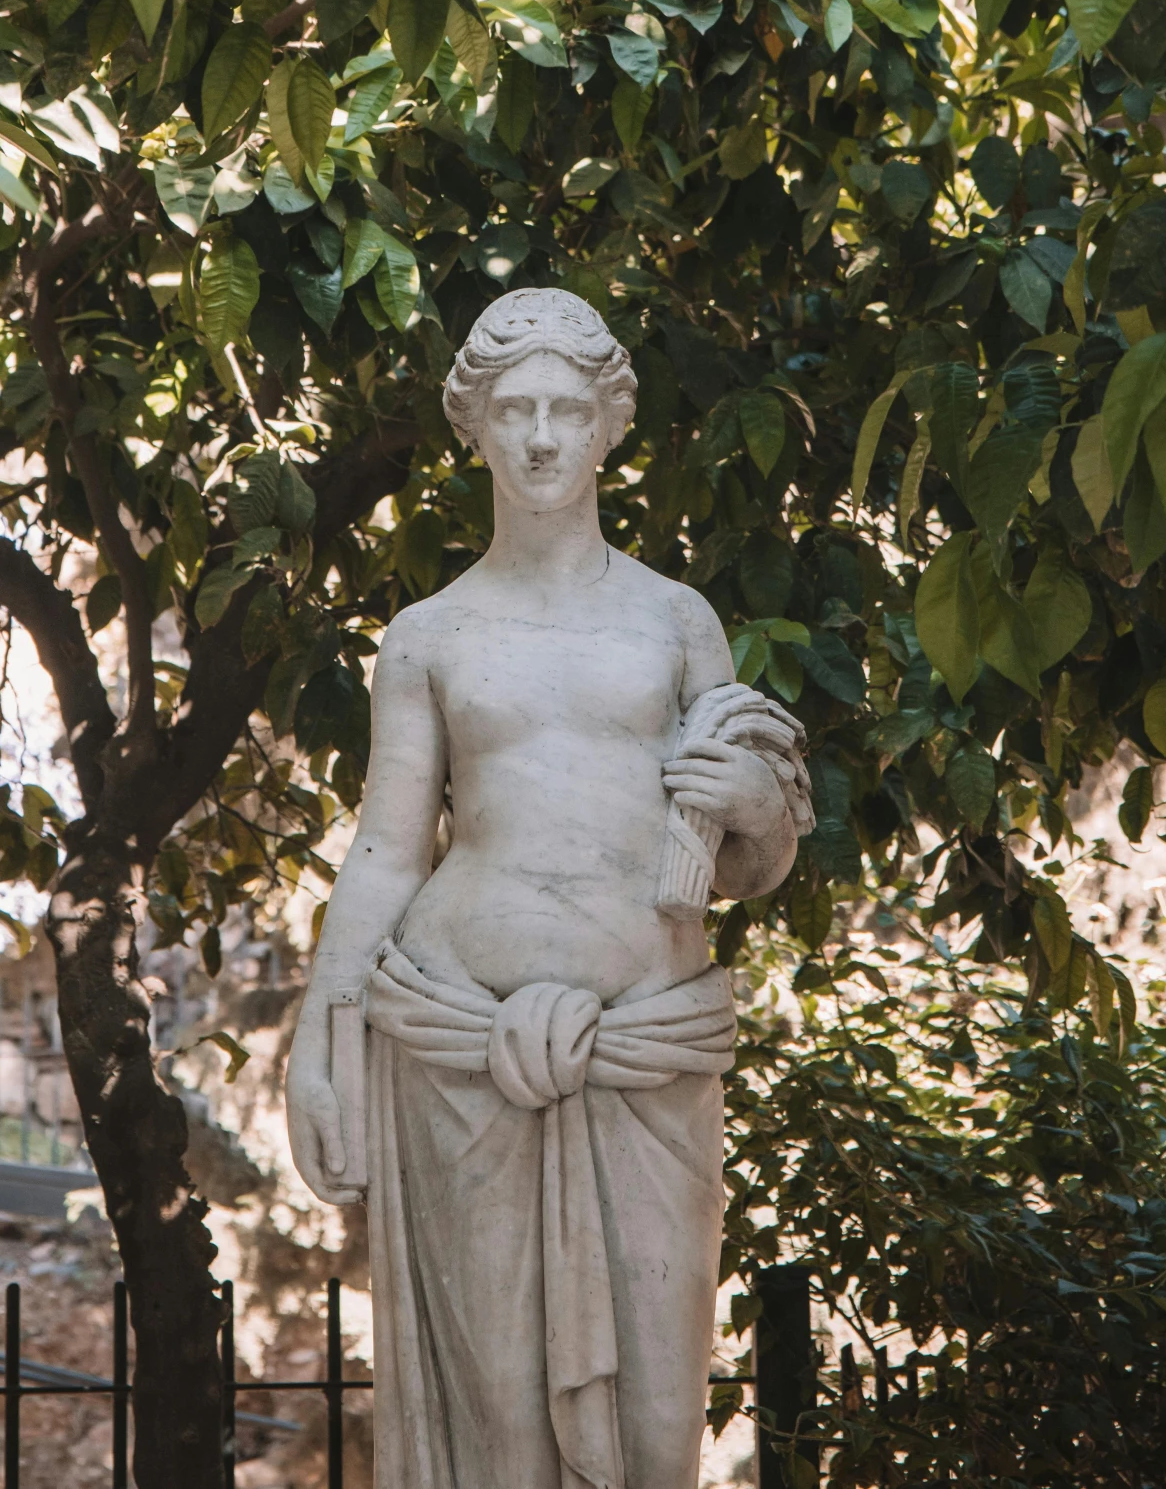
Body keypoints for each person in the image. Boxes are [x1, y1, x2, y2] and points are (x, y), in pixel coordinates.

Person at [286, 288, 807, 1489]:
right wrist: (323, 1034)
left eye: (565, 411)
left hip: (642, 1051)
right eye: (512, 409)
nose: (537, 438)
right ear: (471, 425)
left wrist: (753, 812)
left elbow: (737, 865)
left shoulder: (677, 622)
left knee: (654, 1419)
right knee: (496, 1421)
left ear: (607, 425)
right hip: (457, 1041)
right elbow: (386, 847)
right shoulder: (428, 635)